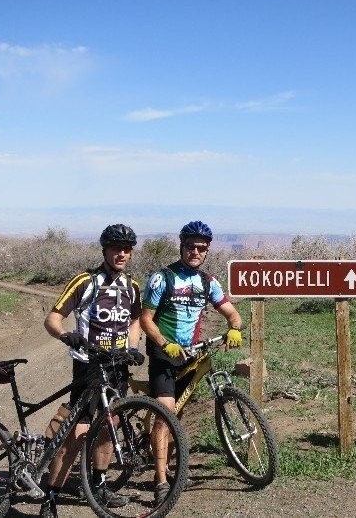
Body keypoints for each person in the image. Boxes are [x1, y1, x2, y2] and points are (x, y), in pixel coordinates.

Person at [40, 224, 144, 518]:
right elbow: (52, 319)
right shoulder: (85, 282)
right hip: (88, 366)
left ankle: (98, 485)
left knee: (109, 427)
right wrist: (65, 335)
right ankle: (51, 496)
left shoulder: (132, 287)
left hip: (117, 367)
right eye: (115, 248)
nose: (121, 254)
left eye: (126, 249)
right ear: (105, 251)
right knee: (78, 431)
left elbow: (135, 320)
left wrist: (133, 348)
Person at [139, 220, 243, 504]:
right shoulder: (163, 278)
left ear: (207, 251)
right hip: (164, 355)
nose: (195, 252)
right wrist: (164, 344)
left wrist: (234, 326)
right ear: (181, 246)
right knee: (166, 415)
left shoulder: (208, 282)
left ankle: (169, 465)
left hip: (191, 355)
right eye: (190, 247)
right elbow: (145, 320)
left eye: (201, 248)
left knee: (178, 416)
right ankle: (160, 480)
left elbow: (232, 313)